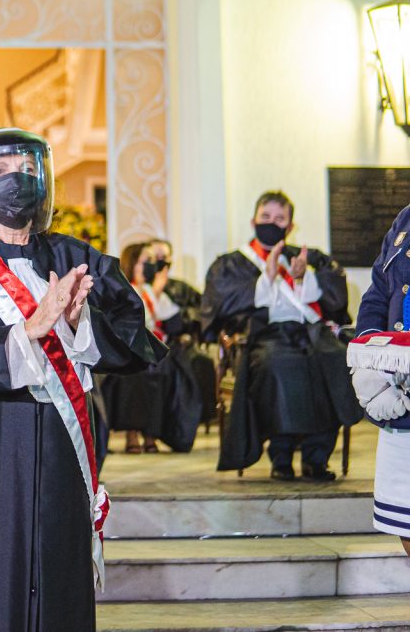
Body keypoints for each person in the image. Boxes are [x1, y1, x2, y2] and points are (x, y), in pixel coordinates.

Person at [0, 128, 165, 632]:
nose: (17, 180)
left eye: (26, 169)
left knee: (57, 568)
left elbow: (138, 337)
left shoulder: (76, 258)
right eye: (0, 171)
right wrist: (26, 332)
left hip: (62, 453)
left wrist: (78, 324)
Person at [201, 191, 361, 480]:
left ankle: (316, 457)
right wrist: (267, 278)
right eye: (265, 217)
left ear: (290, 226)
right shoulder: (232, 263)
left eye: (279, 219)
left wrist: (303, 278)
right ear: (253, 221)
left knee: (335, 360)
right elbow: (222, 303)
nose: (271, 223)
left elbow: (335, 299)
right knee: (279, 365)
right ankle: (281, 456)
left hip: (310, 332)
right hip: (264, 336)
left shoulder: (305, 258)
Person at [102, 242, 204, 453]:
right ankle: (132, 433)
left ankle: (152, 433)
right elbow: (133, 321)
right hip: (128, 350)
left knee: (171, 370)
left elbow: (173, 321)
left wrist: (157, 293)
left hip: (152, 351)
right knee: (136, 375)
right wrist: (154, 294)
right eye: (145, 261)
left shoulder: (150, 290)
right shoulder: (121, 289)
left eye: (152, 261)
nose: (150, 266)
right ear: (132, 263)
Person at [351, 205, 410, 556]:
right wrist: (371, 354)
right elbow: (377, 293)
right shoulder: (405, 219)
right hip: (401, 388)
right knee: (405, 521)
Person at [148, 238, 218, 426]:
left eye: (164, 257)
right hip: (152, 344)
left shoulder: (181, 287)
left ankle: (191, 421)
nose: (160, 261)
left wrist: (185, 319)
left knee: (201, 362)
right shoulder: (140, 285)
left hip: (180, 342)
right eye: (156, 257)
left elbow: (203, 311)